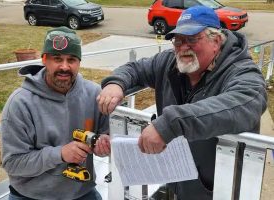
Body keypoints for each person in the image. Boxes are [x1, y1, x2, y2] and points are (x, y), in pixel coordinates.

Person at [97, 6, 267, 200]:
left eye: (192, 39)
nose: (183, 47)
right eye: (178, 40)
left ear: (216, 41)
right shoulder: (169, 62)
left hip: (218, 190)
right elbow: (135, 69)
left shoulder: (241, 71)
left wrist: (171, 124)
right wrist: (115, 83)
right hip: (176, 181)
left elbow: (246, 102)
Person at [0, 26, 110, 200]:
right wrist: (60, 154)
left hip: (81, 192)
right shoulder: (20, 103)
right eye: (57, 59)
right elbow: (12, 163)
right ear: (44, 59)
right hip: (30, 195)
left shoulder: (94, 94)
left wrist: (104, 145)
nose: (64, 67)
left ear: (79, 62)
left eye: (72, 59)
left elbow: (106, 135)